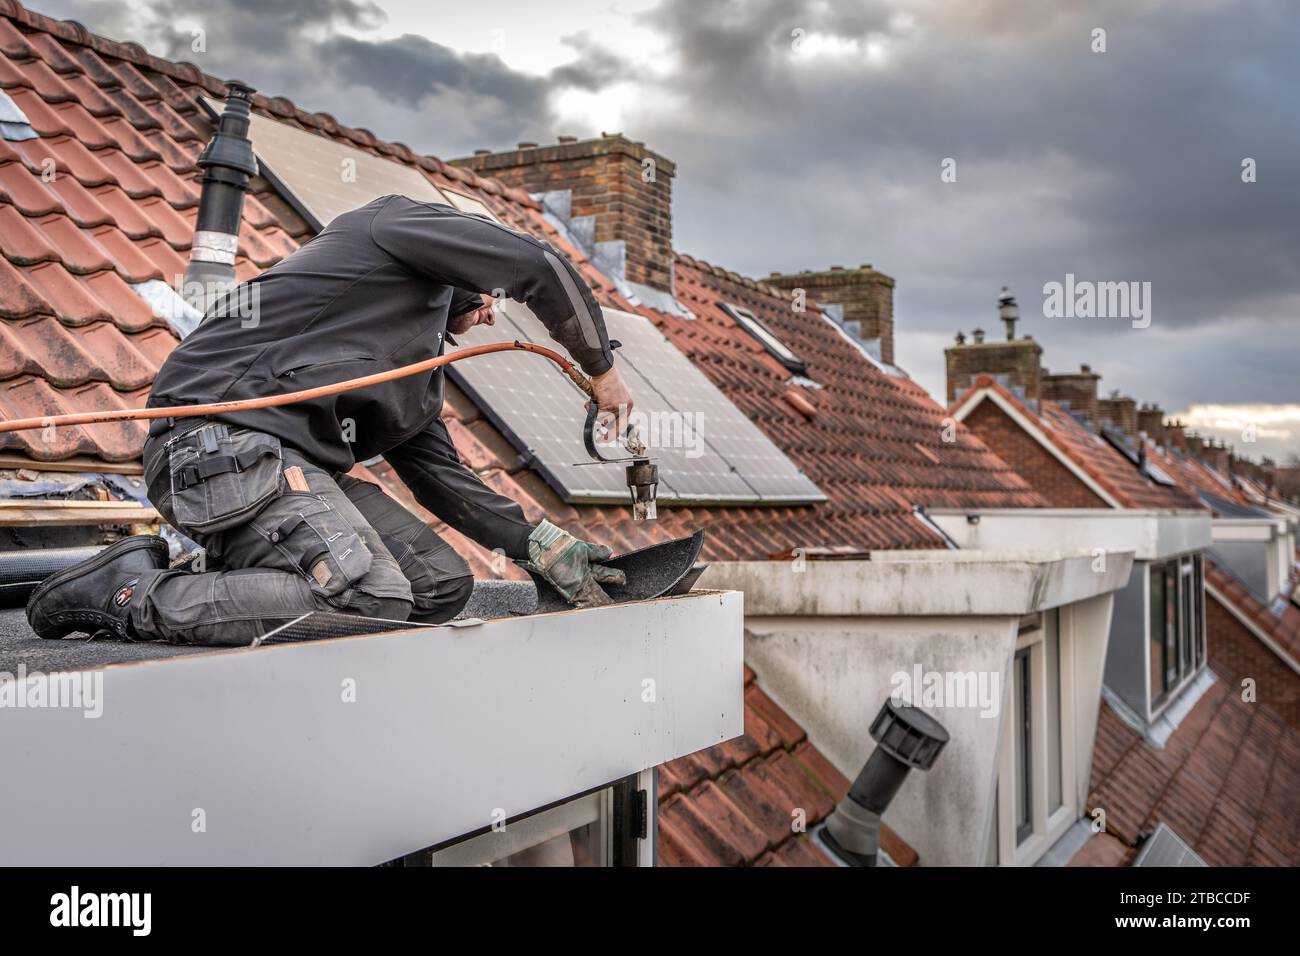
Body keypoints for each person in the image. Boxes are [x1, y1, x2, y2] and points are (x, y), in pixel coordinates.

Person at [27, 195, 633, 646]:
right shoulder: (388, 227)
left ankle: (234, 581)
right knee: (369, 595)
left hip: (288, 473)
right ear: (462, 262)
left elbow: (439, 478)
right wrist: (602, 371)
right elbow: (536, 264)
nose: (493, 315)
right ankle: (128, 595)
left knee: (438, 586)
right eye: (486, 296)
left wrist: (538, 546)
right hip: (215, 447)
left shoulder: (412, 369)